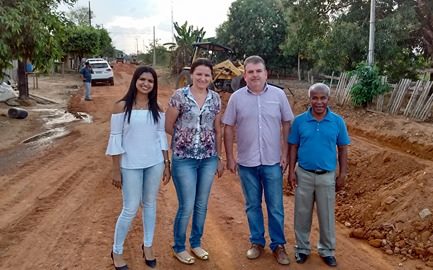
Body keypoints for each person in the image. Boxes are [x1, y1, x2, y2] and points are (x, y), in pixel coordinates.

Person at [223, 55, 294, 265]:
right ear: (244, 76)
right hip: (246, 163)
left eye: (258, 71)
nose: (255, 75)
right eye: (250, 72)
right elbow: (228, 127)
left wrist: (285, 154)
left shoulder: (279, 95)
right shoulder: (236, 98)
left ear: (266, 74)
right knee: (252, 205)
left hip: (272, 162)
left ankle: (278, 245)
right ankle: (256, 242)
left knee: (275, 206)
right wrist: (230, 157)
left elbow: (287, 125)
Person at [106, 66, 171, 270]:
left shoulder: (157, 108)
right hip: (130, 165)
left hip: (154, 163)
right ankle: (117, 251)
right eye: (142, 79)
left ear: (154, 85)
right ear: (135, 81)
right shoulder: (121, 107)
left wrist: (166, 163)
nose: (146, 83)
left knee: (150, 204)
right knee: (130, 207)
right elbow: (115, 140)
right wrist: (116, 170)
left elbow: (161, 136)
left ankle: (148, 246)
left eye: (150, 81)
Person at [165, 58, 224, 265]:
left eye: (207, 75)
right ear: (192, 75)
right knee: (187, 205)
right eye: (199, 74)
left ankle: (196, 243)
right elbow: (169, 125)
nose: (202, 78)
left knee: (201, 204)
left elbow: (218, 129)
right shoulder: (179, 96)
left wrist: (219, 156)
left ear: (211, 77)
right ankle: (179, 247)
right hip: (184, 159)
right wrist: (186, 139)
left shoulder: (215, 98)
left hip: (208, 158)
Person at [287, 83, 350, 267]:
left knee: (327, 215)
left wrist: (343, 174)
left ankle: (327, 250)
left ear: (328, 100)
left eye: (323, 98)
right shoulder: (299, 121)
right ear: (310, 99)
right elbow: (293, 147)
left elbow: (343, 148)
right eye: (315, 98)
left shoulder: (337, 121)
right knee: (302, 214)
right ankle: (302, 249)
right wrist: (291, 171)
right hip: (304, 174)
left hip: (327, 176)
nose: (319, 102)